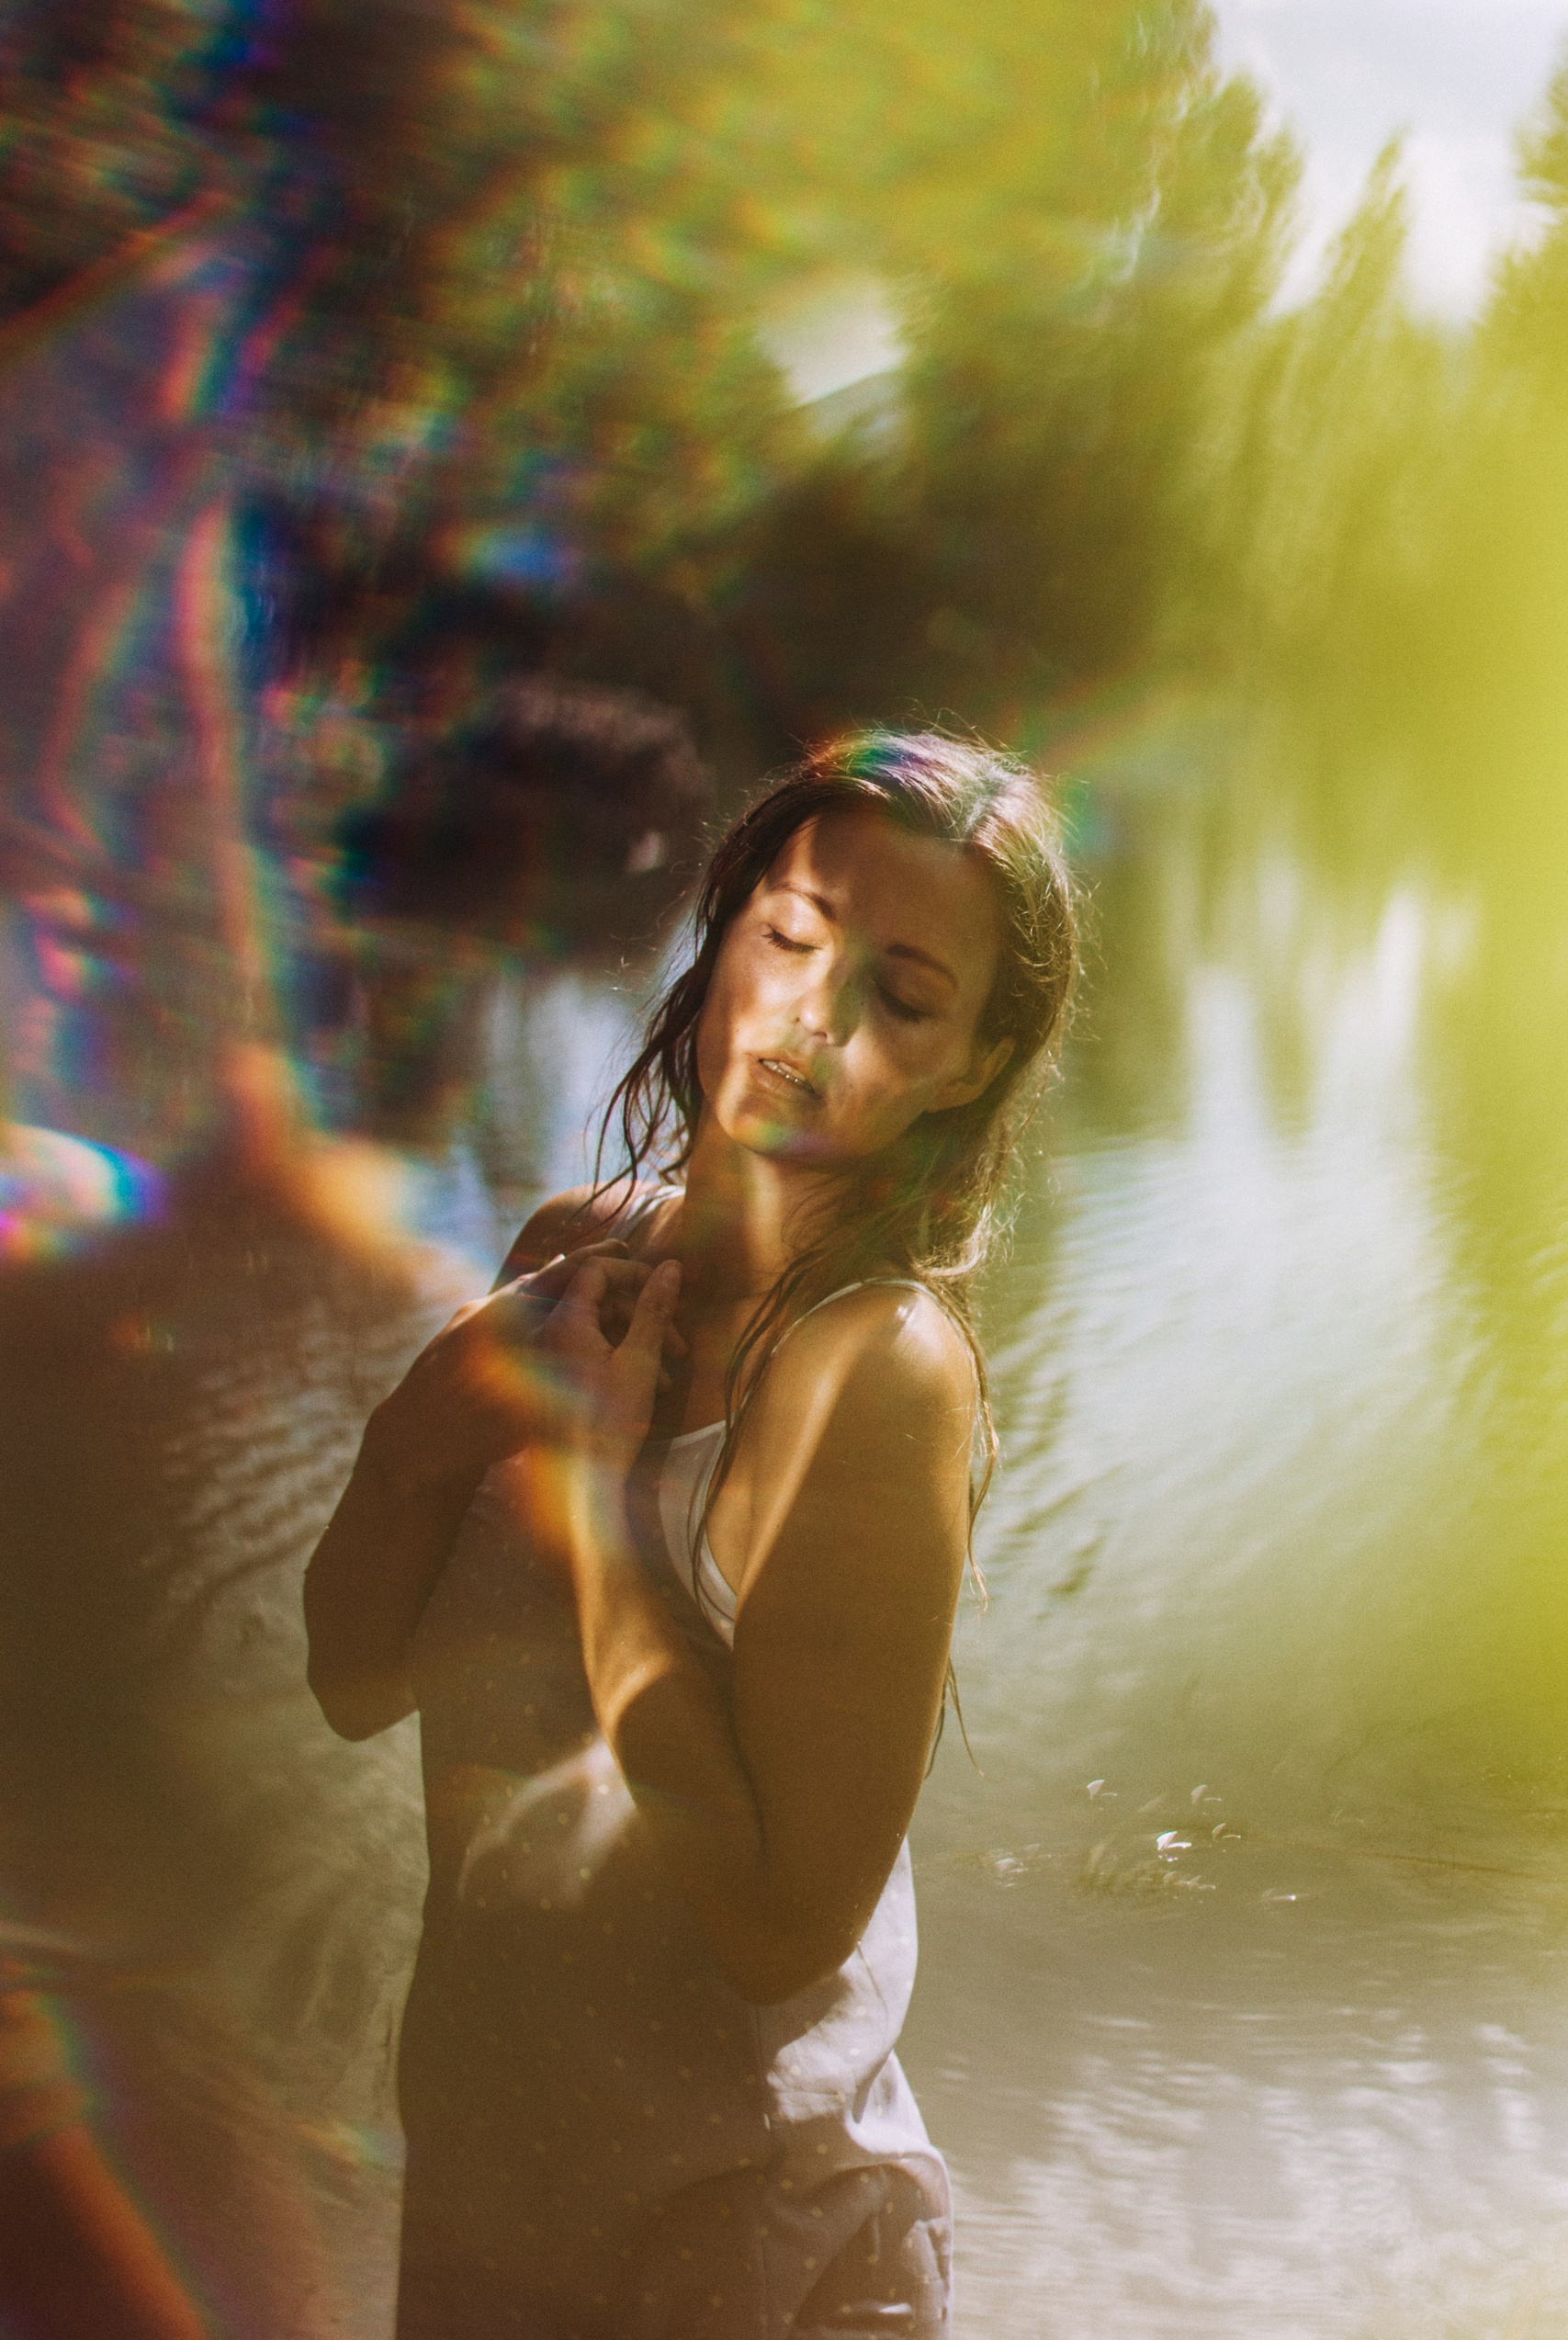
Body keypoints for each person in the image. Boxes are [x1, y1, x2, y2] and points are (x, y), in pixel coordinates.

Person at [303, 725, 1078, 2339]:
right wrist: (438, 1410)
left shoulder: (879, 1371)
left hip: (747, 2235)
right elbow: (352, 1675)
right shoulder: (569, 1257)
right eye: (793, 936)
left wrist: (598, 1514)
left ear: (972, 1064)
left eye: (903, 998)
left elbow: (780, 1929)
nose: (815, 1016)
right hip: (490, 2190)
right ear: (726, 928)